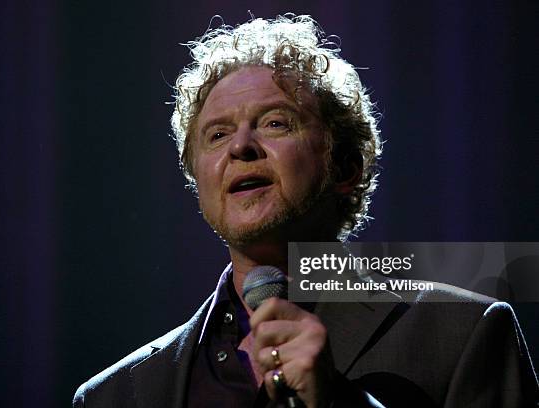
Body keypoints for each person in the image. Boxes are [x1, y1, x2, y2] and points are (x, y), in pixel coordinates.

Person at [73, 15, 538, 407]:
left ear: (345, 167)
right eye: (216, 135)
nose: (240, 146)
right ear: (200, 182)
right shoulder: (117, 394)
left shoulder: (461, 332)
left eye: (275, 123)